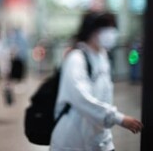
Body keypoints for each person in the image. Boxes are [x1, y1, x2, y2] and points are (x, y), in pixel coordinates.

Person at [51, 11, 143, 151]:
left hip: (100, 140)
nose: (111, 33)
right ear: (92, 31)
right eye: (106, 28)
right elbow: (82, 99)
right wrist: (118, 118)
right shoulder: (76, 58)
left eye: (113, 28)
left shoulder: (102, 56)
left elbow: (104, 97)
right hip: (72, 142)